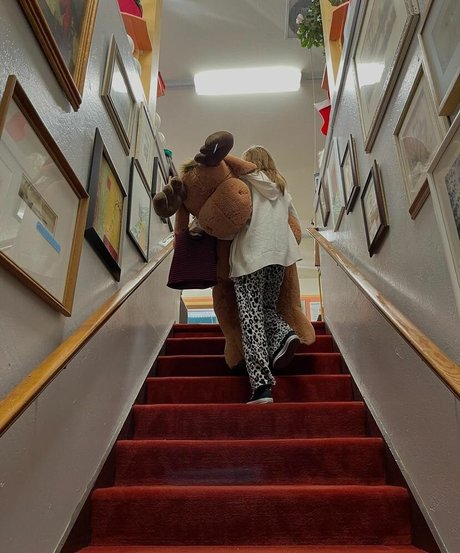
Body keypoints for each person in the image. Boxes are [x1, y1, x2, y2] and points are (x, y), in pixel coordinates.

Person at [229, 145, 301, 404]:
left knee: (251, 319)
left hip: (251, 256)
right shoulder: (283, 190)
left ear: (248, 162)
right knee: (268, 309)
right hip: (279, 258)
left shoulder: (244, 184)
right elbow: (296, 226)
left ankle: (262, 387)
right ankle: (284, 333)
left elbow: (233, 218)